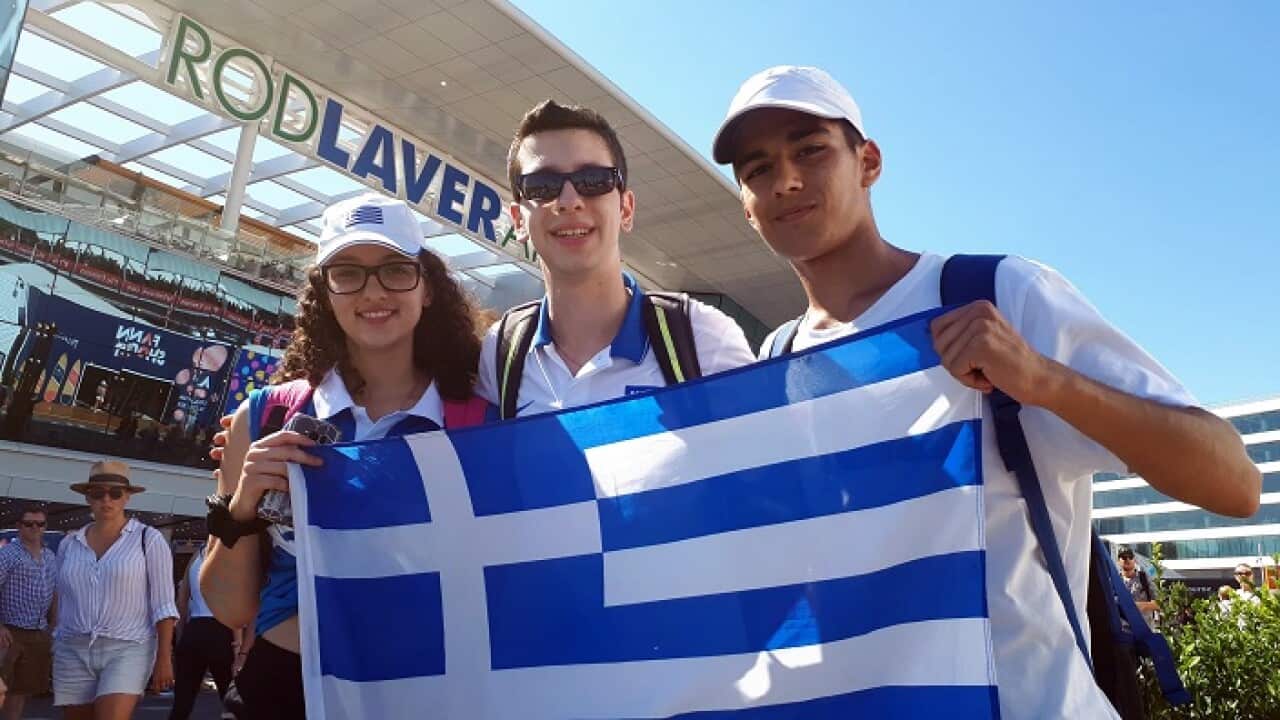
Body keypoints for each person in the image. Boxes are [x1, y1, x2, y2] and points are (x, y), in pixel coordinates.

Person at [711, 65, 1261, 719]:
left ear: (869, 161)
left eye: (810, 149)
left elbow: (1235, 482)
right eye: (758, 169)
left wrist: (1044, 381)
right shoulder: (776, 360)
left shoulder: (997, 293)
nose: (788, 181)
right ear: (746, 205)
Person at [200, 192, 489, 720]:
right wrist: (242, 505)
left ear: (427, 289)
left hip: (430, 690)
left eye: (395, 270)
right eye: (348, 273)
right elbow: (230, 608)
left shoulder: (482, 423)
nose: (373, 291)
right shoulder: (263, 416)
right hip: (283, 686)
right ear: (324, 293)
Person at [474, 100, 754, 418]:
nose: (569, 201)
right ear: (518, 220)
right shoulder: (501, 351)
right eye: (542, 186)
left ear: (626, 209)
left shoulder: (702, 336)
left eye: (593, 180)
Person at [54, 460, 177, 720]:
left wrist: (164, 658)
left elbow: (164, 604)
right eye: (98, 493)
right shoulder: (69, 544)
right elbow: (62, 599)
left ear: (127, 497)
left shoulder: (148, 539)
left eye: (115, 493)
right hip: (72, 647)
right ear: (88, 497)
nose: (106, 500)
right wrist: (55, 640)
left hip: (128, 647)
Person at [0, 506, 57, 720]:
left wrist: (54, 627)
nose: (35, 528)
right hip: (9, 634)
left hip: (38, 633)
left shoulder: (50, 556)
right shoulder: (8, 555)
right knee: (1, 689)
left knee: (20, 693)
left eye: (40, 524)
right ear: (18, 527)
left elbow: (55, 592)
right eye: (29, 523)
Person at [168, 545, 236, 720]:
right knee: (233, 702)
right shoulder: (233, 552)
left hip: (195, 628)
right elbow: (235, 601)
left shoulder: (197, 554)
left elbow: (182, 601)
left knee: (182, 704)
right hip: (223, 629)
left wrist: (181, 637)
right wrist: (240, 644)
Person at [1116, 548, 1157, 629]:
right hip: (1124, 632)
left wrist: (1137, 606)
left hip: (1145, 630)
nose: (1127, 559)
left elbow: (1159, 603)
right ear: (1118, 561)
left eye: (1130, 557)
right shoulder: (1115, 581)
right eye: (1124, 557)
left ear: (1134, 560)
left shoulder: (1145, 578)